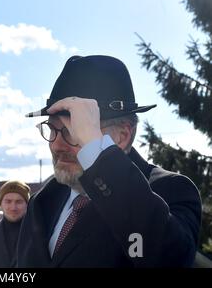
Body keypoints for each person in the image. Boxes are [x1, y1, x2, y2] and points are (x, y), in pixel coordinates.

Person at [17, 55, 202, 267]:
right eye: (51, 129)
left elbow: (166, 260)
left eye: (72, 131)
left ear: (122, 136)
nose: (56, 145)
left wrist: (96, 153)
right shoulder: (44, 199)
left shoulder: (169, 190)